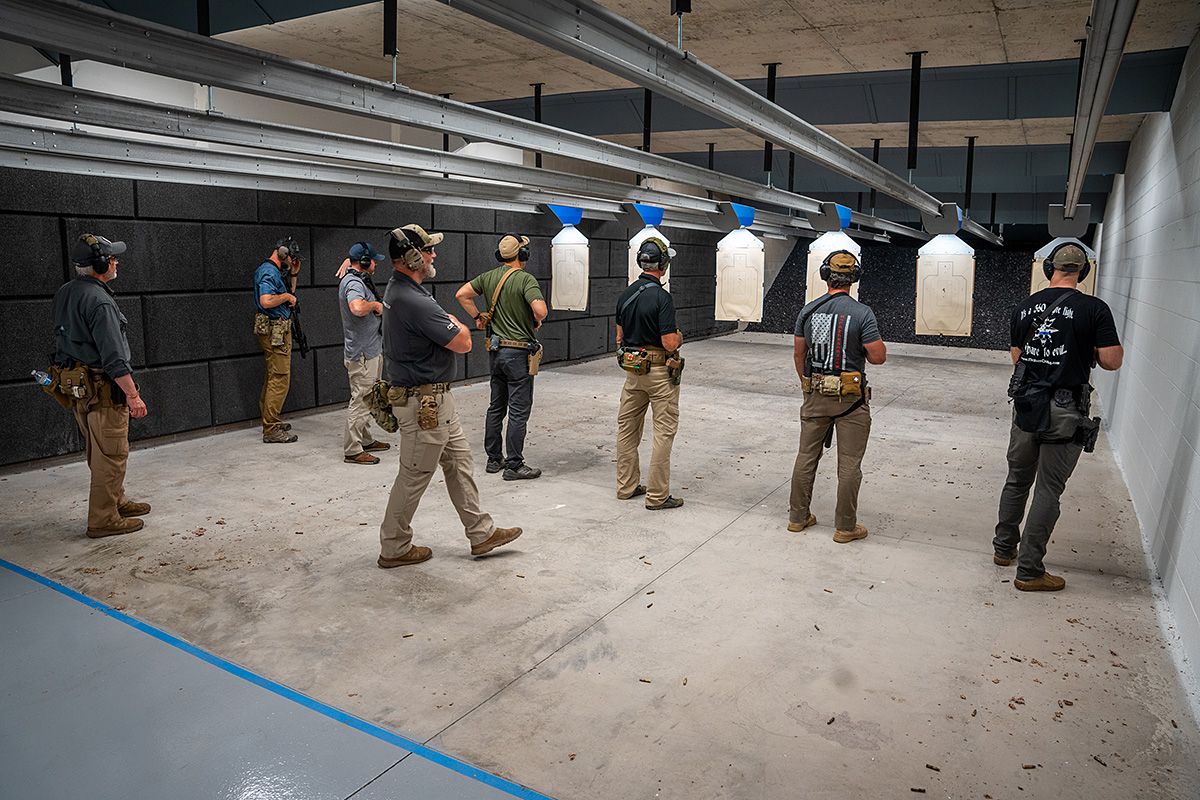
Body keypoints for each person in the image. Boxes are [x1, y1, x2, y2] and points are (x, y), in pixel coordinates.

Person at [377, 224, 523, 567]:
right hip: (425, 405)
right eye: (428, 250)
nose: (434, 254)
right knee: (414, 475)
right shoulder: (413, 300)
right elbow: (463, 342)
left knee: (459, 464)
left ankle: (480, 532)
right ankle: (394, 546)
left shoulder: (403, 290)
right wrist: (456, 324)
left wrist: (450, 321)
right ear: (413, 257)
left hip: (435, 403)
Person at [994, 242, 1123, 591]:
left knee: (1017, 480)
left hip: (1026, 405)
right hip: (1065, 410)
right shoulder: (1094, 309)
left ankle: (1003, 549)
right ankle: (1029, 571)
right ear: (1083, 271)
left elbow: (1017, 357)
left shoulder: (1024, 307)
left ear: (1049, 268)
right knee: (1048, 489)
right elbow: (1112, 361)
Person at [49, 233, 150, 538]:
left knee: (99, 452)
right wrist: (133, 395)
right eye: (113, 258)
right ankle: (103, 519)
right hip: (104, 390)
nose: (117, 263)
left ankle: (116, 500)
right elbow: (114, 359)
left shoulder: (66, 292)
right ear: (101, 264)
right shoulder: (100, 301)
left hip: (79, 388)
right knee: (112, 454)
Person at [788, 250, 885, 543]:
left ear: (825, 276)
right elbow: (878, 357)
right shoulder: (863, 313)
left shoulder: (808, 311)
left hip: (815, 394)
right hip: (851, 400)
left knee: (806, 457)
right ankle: (845, 527)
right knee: (849, 465)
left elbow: (799, 354)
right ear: (854, 278)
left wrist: (808, 386)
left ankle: (797, 518)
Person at [455, 233, 548, 480]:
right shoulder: (525, 279)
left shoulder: (488, 277)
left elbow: (461, 294)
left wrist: (478, 316)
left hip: (496, 352)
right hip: (519, 353)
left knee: (496, 406)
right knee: (518, 410)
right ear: (522, 254)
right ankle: (514, 465)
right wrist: (534, 318)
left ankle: (494, 459)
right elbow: (541, 311)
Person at [614, 238, 684, 511]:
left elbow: (619, 337)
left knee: (627, 430)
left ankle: (626, 487)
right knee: (663, 432)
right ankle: (657, 496)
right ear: (663, 265)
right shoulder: (662, 298)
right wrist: (679, 336)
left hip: (633, 371)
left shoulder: (626, 294)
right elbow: (669, 343)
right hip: (658, 373)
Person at [338, 241, 392, 465]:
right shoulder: (353, 283)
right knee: (361, 399)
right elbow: (357, 307)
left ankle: (366, 439)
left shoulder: (356, 278)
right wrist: (375, 306)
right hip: (362, 354)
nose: (376, 265)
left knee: (369, 397)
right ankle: (352, 450)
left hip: (369, 349)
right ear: (364, 261)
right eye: (373, 261)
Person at [254, 237, 302, 444]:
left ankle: (270, 420)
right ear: (283, 253)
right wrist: (286, 297)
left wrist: (294, 275)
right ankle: (271, 428)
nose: (292, 262)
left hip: (276, 329)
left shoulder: (274, 270)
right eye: (291, 258)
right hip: (275, 331)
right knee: (280, 378)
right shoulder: (269, 272)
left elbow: (290, 295)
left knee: (273, 376)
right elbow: (266, 301)